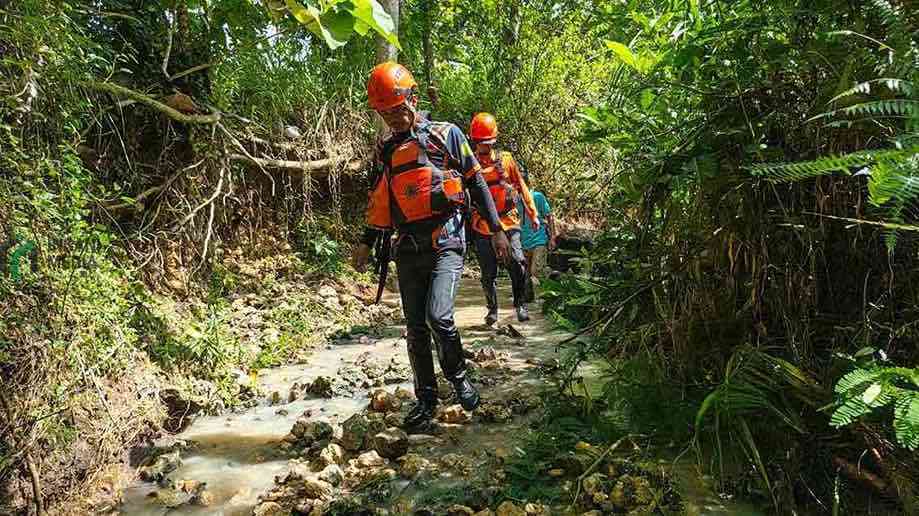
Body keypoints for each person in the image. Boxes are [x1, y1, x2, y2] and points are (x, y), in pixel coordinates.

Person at [352, 63, 511, 431]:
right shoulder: (386, 148)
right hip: (407, 246)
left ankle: (457, 376)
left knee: (438, 316)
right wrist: (365, 242)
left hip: (448, 241)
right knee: (415, 328)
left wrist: (497, 229)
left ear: (413, 98)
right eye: (384, 112)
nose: (392, 117)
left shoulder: (447, 134)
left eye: (397, 108)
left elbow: (477, 183)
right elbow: (381, 201)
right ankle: (425, 398)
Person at [467, 112, 540, 325]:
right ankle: (492, 309)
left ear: (494, 140)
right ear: (474, 141)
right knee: (487, 273)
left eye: (487, 143)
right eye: (480, 143)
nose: (484, 147)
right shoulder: (469, 163)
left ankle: (520, 303)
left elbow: (521, 187)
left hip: (509, 220)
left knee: (518, 262)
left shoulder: (506, 160)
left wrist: (533, 213)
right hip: (483, 225)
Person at [518, 169, 557, 302]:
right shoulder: (515, 199)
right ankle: (529, 300)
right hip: (523, 241)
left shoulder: (538, 196)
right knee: (525, 273)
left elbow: (549, 216)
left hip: (539, 239)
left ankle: (548, 295)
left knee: (536, 271)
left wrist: (552, 237)